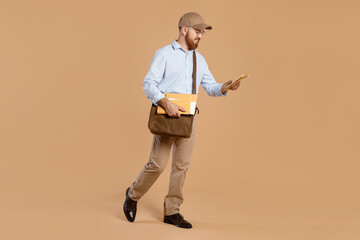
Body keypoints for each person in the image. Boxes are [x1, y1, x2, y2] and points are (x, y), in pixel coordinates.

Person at [123, 12, 241, 229]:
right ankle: (133, 194)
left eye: (202, 32)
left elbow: (210, 87)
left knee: (181, 167)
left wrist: (224, 87)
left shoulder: (200, 59)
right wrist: (165, 102)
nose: (200, 36)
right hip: (167, 116)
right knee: (157, 164)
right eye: (197, 31)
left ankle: (172, 211)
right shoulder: (164, 54)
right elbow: (148, 84)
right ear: (184, 29)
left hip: (189, 120)